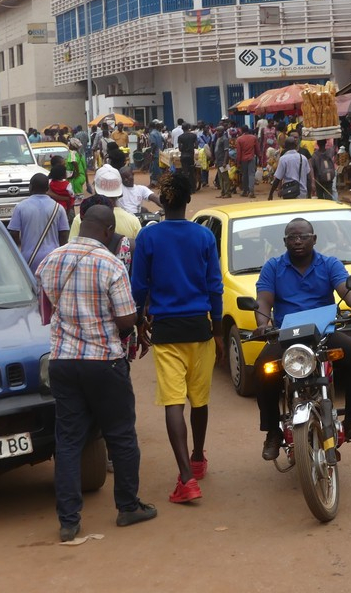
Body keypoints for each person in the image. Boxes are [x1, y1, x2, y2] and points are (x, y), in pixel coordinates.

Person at [36, 205, 157, 542]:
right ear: (107, 231)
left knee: (69, 440)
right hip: (104, 361)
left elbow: (47, 308)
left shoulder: (50, 260)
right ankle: (128, 506)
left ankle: (69, 520)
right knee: (120, 435)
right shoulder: (111, 263)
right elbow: (125, 321)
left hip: (62, 360)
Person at [131, 171, 224, 503]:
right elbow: (215, 285)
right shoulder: (203, 237)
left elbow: (139, 286)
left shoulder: (148, 237)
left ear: (163, 200)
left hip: (166, 330)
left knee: (173, 402)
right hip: (200, 327)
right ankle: (197, 459)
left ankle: (186, 478)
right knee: (199, 400)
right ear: (187, 200)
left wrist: (141, 320)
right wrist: (217, 331)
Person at [253, 218, 351, 460]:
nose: (297, 241)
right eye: (292, 237)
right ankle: (272, 433)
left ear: (314, 239)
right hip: (287, 336)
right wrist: (262, 324)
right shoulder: (273, 267)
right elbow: (264, 300)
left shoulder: (329, 264)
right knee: (261, 368)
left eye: (303, 237)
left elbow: (346, 288)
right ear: (285, 241)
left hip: (323, 334)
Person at [8, 173, 70, 274]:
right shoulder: (58, 208)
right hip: (52, 257)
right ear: (47, 188)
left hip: (28, 258)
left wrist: (22, 249)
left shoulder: (20, 207)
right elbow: (64, 234)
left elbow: (13, 233)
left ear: (30, 187)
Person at [69, 164, 143, 242]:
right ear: (119, 192)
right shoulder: (133, 221)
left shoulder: (81, 219)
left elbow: (71, 248)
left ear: (96, 188)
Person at [47, 156, 76, 221]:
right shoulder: (67, 184)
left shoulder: (50, 182)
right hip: (65, 208)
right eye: (63, 164)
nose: (65, 166)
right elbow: (71, 196)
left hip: (53, 209)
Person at [235, 125, 259, 198]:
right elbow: (257, 149)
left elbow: (238, 152)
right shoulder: (253, 138)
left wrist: (238, 162)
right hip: (251, 158)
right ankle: (251, 191)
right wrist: (259, 157)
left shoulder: (239, 139)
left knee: (244, 175)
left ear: (242, 131)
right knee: (251, 174)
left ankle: (245, 191)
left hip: (243, 159)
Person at [177, 123, 199, 191]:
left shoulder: (180, 137)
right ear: (189, 128)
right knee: (192, 172)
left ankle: (187, 188)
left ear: (182, 129)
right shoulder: (193, 136)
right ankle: (193, 188)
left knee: (185, 172)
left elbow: (180, 148)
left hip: (183, 156)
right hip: (190, 156)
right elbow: (196, 146)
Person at [213, 125, 231, 198]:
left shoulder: (225, 139)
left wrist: (224, 162)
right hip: (218, 161)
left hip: (222, 161)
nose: (216, 132)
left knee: (225, 178)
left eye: (218, 131)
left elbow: (226, 151)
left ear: (221, 131)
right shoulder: (218, 139)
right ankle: (222, 192)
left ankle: (227, 193)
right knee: (220, 178)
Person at [148, 120, 164, 187]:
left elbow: (153, 144)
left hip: (155, 154)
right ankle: (159, 182)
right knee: (159, 168)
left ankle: (153, 183)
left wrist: (152, 153)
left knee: (153, 168)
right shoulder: (158, 133)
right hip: (159, 153)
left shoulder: (152, 134)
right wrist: (162, 149)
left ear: (150, 127)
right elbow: (164, 141)